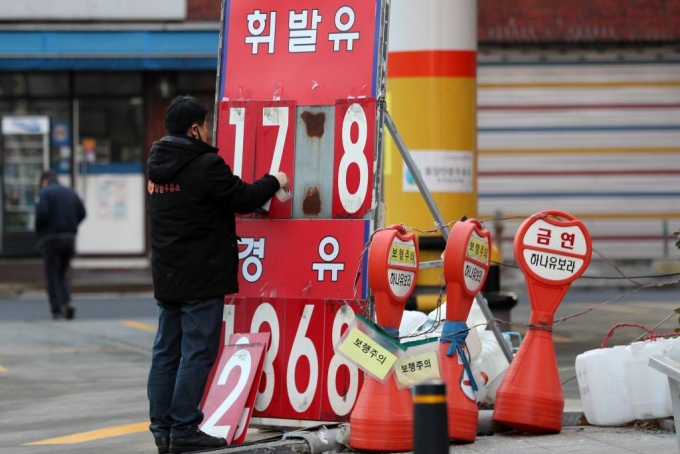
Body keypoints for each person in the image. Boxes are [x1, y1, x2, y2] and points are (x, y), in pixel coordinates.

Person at [146, 95, 288, 454]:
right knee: (197, 352)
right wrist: (275, 180)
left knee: (166, 352)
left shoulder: (157, 165)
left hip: (168, 273)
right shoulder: (205, 163)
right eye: (206, 124)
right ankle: (184, 429)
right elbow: (241, 197)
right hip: (202, 274)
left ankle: (163, 431)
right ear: (195, 128)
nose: (209, 131)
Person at [35, 170, 86, 320]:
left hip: (50, 238)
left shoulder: (45, 193)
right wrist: (72, 226)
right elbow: (82, 212)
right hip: (69, 238)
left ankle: (56, 310)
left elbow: (41, 214)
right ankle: (67, 302)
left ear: (45, 181)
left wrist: (40, 232)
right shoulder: (70, 192)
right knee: (62, 272)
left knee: (51, 274)